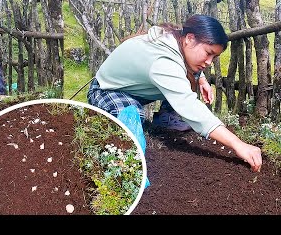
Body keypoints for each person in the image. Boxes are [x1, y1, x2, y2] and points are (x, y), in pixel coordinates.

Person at [87, 14, 262, 172]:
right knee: (132, 117)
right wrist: (238, 144)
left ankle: (166, 117)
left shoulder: (177, 39)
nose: (209, 62)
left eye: (214, 58)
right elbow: (190, 106)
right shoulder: (163, 61)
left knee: (185, 79)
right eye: (208, 53)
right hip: (106, 90)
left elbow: (184, 66)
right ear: (190, 39)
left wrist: (201, 79)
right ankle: (129, 170)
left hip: (134, 88)